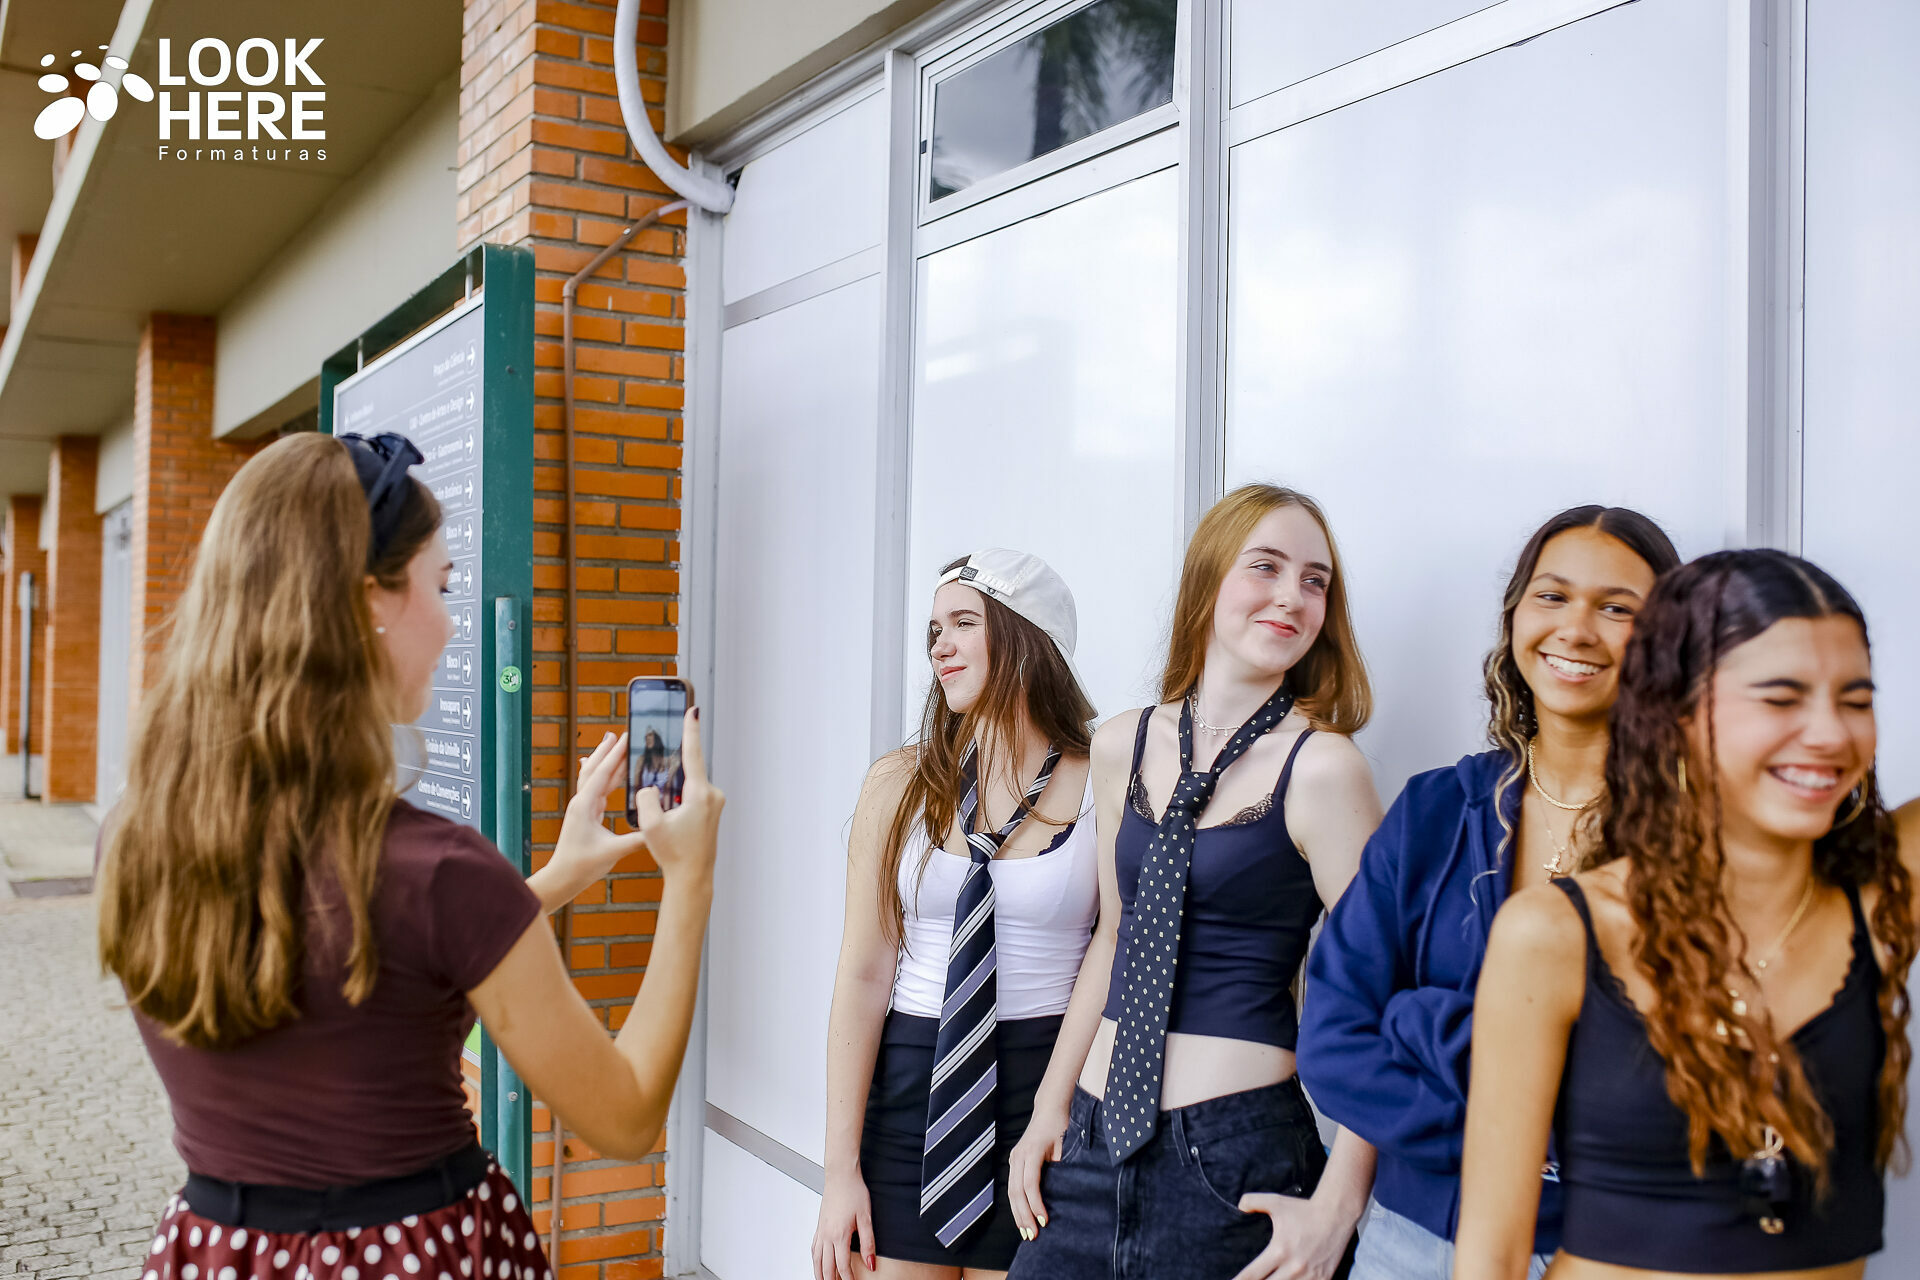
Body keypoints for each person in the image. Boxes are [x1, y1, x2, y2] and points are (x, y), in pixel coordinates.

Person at [97, 432, 724, 1280]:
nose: (452, 619)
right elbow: (626, 1116)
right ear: (369, 604)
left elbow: (353, 955)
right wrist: (689, 878)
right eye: (442, 584)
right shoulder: (441, 874)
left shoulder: (134, 838)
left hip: (219, 1254)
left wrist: (552, 881)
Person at [1456, 549, 1920, 1279]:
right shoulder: (1554, 933)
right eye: (1782, 698)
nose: (1831, 733)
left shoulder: (1884, 895)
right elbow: (1491, 1257)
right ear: (1675, 714)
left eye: (1856, 700)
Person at [1004, 483, 1384, 1280]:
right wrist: (1049, 1106)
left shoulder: (1324, 769)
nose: (1293, 596)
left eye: (1315, 581)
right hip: (1089, 1143)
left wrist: (1341, 1204)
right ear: (1209, 580)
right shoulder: (1122, 744)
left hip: (1236, 1162)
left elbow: (1387, 993)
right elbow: (1115, 936)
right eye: (1266, 567)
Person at [1296, 506, 1680, 1280]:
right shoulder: (1434, 811)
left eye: (1617, 609)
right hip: (1408, 1246)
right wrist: (1518, 1137)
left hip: (1616, 1253)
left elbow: (1684, 1076)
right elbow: (1333, 1042)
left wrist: (1420, 1021)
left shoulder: (1699, 838)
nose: (1576, 629)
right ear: (1514, 619)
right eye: (1552, 596)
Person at [812, 549, 1100, 1280]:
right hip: (915, 1089)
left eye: (964, 623)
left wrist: (1061, 1108)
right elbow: (863, 974)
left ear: (1028, 636)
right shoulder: (900, 782)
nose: (939, 645)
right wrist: (839, 1171)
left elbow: (1119, 953)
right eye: (934, 629)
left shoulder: (1104, 782)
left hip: (1046, 1097)